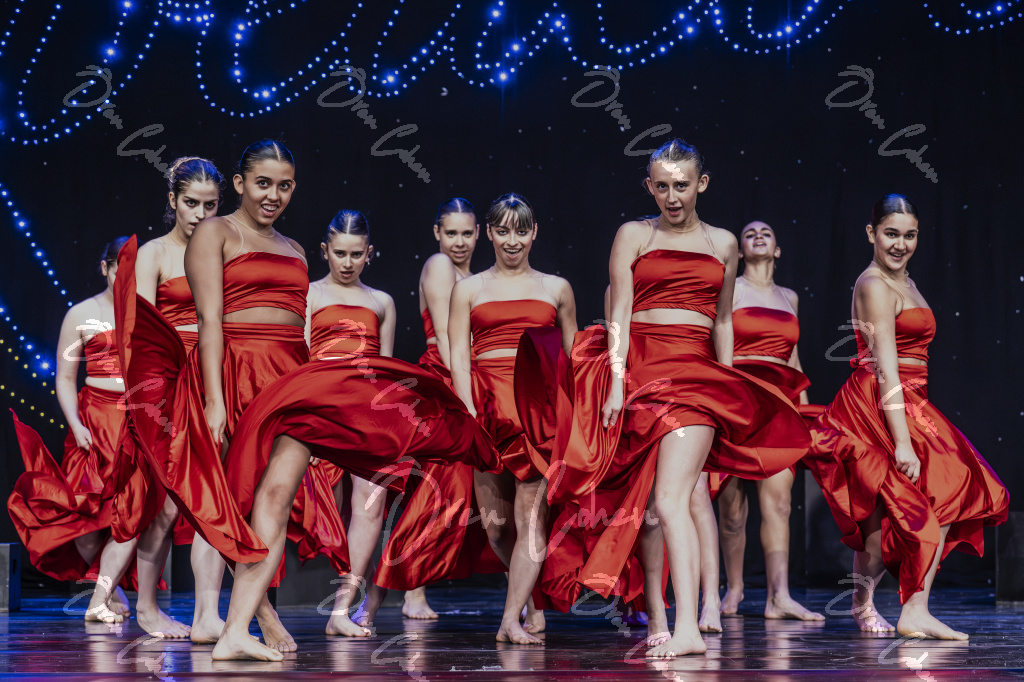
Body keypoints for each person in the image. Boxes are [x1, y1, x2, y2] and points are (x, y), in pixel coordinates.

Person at [112, 139, 341, 652]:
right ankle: (239, 622)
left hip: (288, 380)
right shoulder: (215, 232)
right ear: (240, 184)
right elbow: (209, 321)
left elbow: (299, 330)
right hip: (234, 372)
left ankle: (241, 625)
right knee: (227, 504)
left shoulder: (296, 249)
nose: (273, 195)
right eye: (263, 183)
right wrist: (215, 400)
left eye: (284, 186)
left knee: (276, 500)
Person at [211, 339, 502, 661]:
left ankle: (303, 616)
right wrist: (215, 398)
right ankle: (251, 622)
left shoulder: (379, 315)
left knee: (285, 502)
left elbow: (384, 365)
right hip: (277, 380)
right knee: (251, 503)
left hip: (327, 387)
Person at [804, 194, 1008, 639]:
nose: (900, 244)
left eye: (909, 235)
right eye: (891, 234)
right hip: (880, 401)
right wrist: (901, 441)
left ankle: (907, 607)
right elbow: (885, 367)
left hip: (911, 400)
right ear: (871, 233)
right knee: (888, 523)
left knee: (946, 489)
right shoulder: (874, 285)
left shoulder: (906, 281)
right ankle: (880, 605)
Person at [447, 193, 578, 644]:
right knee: (497, 529)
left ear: (534, 232)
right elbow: (458, 358)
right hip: (487, 413)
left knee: (530, 519)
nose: (512, 240)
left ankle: (509, 620)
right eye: (503, 231)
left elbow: (573, 358)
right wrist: (467, 410)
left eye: (521, 231)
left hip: (538, 418)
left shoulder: (556, 288)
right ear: (489, 233)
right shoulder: (468, 289)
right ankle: (532, 600)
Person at [9, 237, 139, 624]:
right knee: (87, 518)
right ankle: (106, 591)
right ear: (105, 267)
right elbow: (65, 378)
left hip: (139, 421)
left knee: (131, 513)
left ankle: (100, 598)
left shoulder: (148, 312)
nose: (125, 278)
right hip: (95, 421)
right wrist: (76, 424)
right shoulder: (81, 314)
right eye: (119, 269)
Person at [712, 220, 824, 622]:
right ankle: (734, 587)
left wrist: (805, 413)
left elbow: (793, 357)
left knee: (778, 502)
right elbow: (717, 338)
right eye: (749, 233)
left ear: (777, 249)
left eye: (766, 233)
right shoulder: (730, 287)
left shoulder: (789, 297)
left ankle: (779, 596)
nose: (758, 236)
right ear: (740, 251)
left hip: (780, 406)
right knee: (732, 507)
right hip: (738, 400)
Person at [303, 209, 396, 636]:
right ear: (325, 251)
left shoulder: (381, 302)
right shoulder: (310, 295)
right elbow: (301, 360)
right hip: (321, 411)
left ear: (369, 253)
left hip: (368, 414)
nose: (347, 262)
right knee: (305, 506)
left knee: (369, 505)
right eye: (339, 253)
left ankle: (342, 610)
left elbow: (387, 371)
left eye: (356, 254)